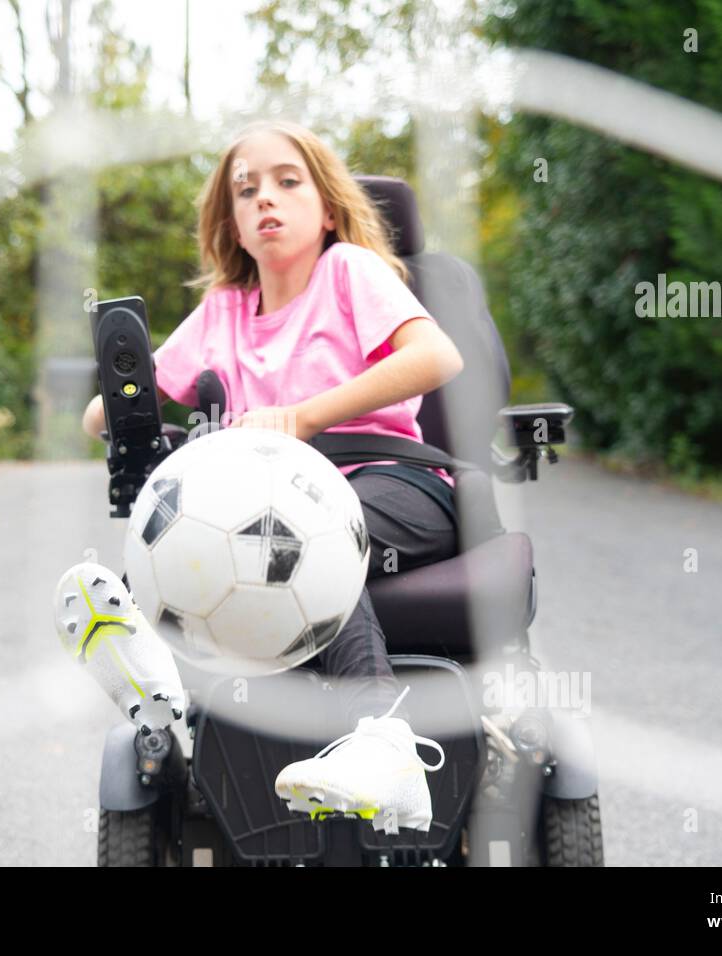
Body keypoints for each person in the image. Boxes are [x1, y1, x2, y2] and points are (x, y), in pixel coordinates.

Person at [62, 119, 465, 833]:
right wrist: (130, 414)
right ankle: (160, 680)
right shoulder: (222, 314)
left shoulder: (349, 273)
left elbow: (436, 359)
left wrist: (305, 416)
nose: (264, 200)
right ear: (234, 228)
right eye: (245, 193)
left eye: (287, 182)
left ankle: (387, 746)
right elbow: (101, 413)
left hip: (388, 479)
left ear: (329, 208)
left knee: (301, 538)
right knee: (210, 534)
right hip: (261, 508)